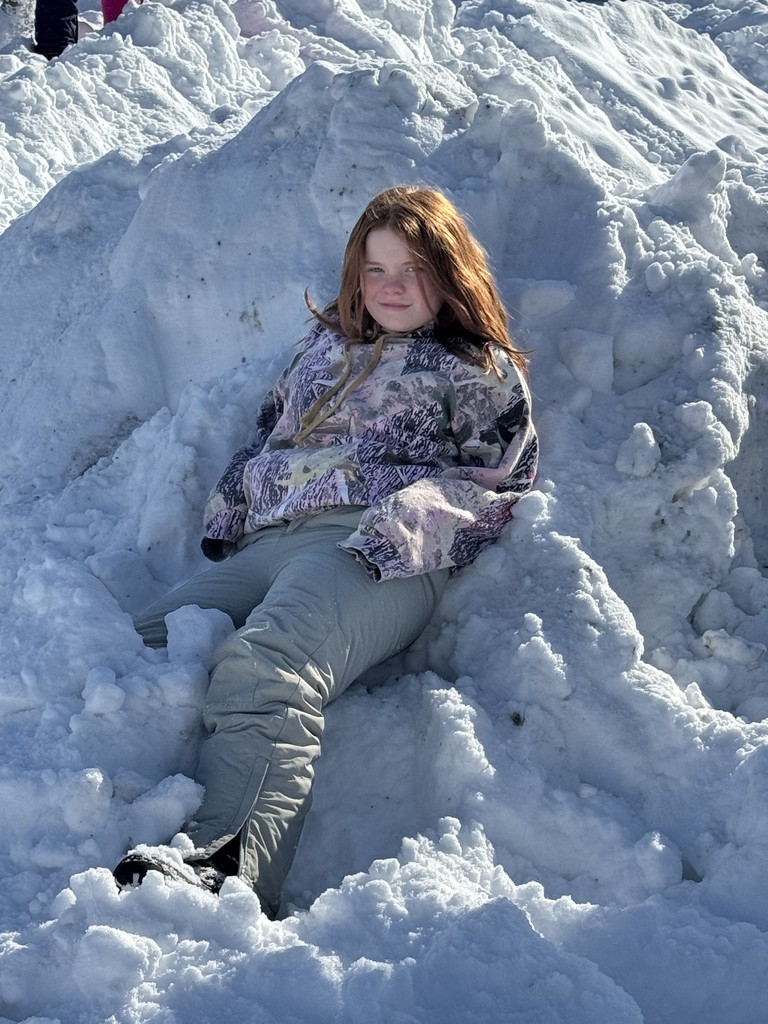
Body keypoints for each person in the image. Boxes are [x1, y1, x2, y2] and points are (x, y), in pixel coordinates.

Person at [113, 185, 539, 918]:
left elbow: (501, 481)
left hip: (375, 546)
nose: (393, 287)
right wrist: (237, 500)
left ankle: (228, 866)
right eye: (376, 271)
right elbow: (273, 431)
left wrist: (404, 523)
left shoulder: (476, 369)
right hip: (272, 540)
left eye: (413, 268)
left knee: (270, 662)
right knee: (140, 650)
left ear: (451, 271)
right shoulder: (323, 347)